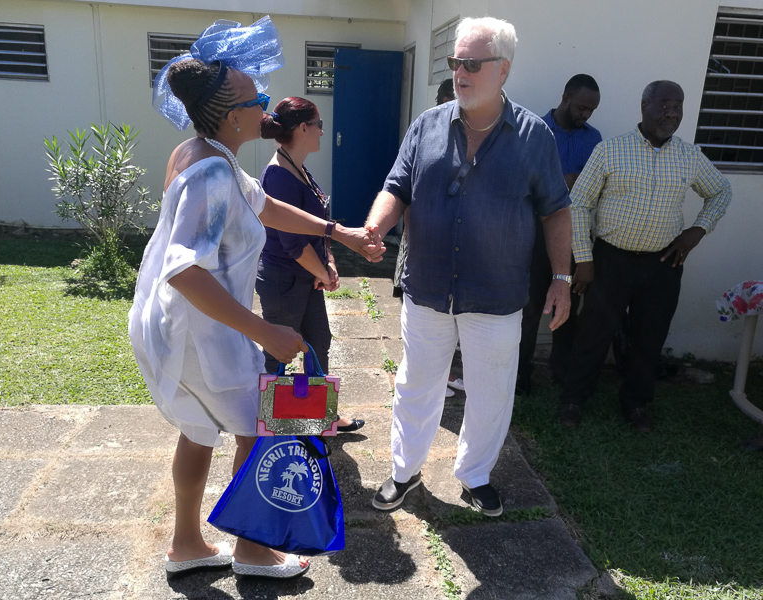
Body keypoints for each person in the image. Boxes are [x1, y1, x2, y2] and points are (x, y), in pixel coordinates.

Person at [129, 18, 383, 580]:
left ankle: (187, 544)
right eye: (258, 99)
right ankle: (252, 550)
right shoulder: (212, 176)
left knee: (198, 431)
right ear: (233, 115)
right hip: (205, 335)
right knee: (259, 430)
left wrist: (337, 232)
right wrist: (265, 331)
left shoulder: (201, 153)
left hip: (180, 329)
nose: (266, 107)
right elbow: (183, 270)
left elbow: (265, 207)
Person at [365, 17, 572, 517]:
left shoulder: (534, 136)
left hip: (496, 294)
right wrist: (375, 227)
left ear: (503, 69)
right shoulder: (427, 125)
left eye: (473, 64)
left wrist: (562, 278)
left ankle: (475, 475)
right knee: (416, 383)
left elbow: (556, 211)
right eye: (456, 61)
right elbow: (396, 186)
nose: (460, 72)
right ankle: (404, 471)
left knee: (491, 392)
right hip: (428, 286)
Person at [558, 80, 732, 432]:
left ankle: (635, 401)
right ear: (645, 106)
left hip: (662, 264)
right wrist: (585, 258)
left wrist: (697, 231)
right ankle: (574, 399)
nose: (672, 113)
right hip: (611, 261)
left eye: (678, 106)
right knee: (594, 333)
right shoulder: (611, 150)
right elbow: (579, 203)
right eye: (664, 104)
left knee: (649, 337)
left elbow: (721, 191)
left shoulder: (689, 156)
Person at [256, 97, 364, 432]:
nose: (322, 132)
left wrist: (328, 262)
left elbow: (316, 226)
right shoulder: (279, 175)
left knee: (318, 342)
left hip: (307, 277)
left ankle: (319, 415)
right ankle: (271, 427)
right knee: (279, 353)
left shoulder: (297, 167)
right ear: (303, 128)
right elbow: (293, 244)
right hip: (284, 281)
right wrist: (324, 274)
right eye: (319, 125)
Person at [515, 74, 601, 394]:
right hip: (537, 233)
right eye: (581, 107)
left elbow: (597, 185)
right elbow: (518, 181)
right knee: (530, 307)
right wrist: (562, 182)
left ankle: (561, 371)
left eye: (591, 110)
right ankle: (520, 377)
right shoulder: (534, 130)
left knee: (568, 305)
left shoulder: (594, 139)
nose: (585, 115)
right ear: (565, 97)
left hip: (576, 234)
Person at [393, 78, 464, 398]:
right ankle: (429, 376)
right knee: (421, 315)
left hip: (450, 247)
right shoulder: (427, 131)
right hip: (422, 242)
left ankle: (443, 374)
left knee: (448, 320)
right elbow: (407, 191)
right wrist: (412, 237)